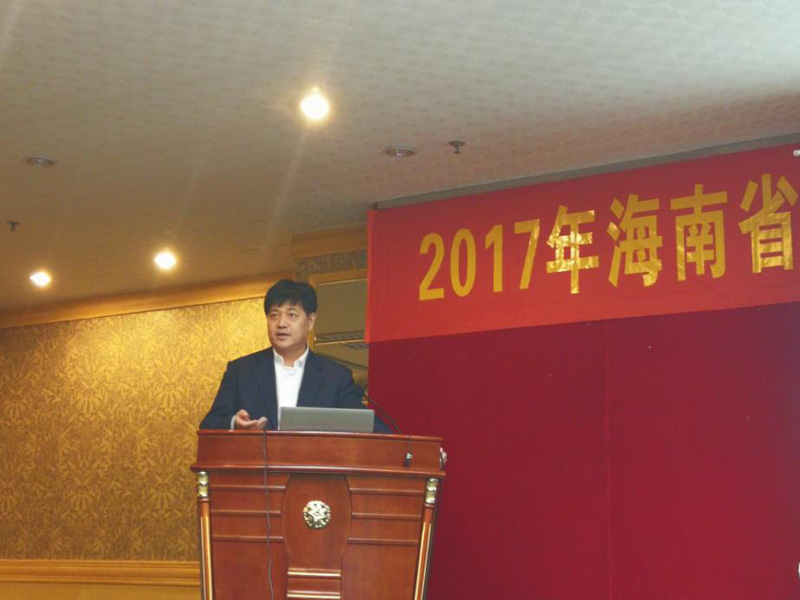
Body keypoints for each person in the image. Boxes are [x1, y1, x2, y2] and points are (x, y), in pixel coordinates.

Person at [199, 279, 389, 433]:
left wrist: (400, 448)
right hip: (255, 468)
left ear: (310, 321)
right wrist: (234, 423)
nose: (281, 323)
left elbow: (368, 426)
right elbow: (209, 425)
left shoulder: (334, 377)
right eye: (274, 315)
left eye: (292, 315)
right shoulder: (241, 371)